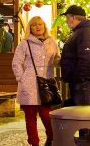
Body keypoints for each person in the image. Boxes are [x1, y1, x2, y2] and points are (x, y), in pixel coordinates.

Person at [12, 16, 59, 146]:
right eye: (34, 25)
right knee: (30, 117)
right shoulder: (24, 43)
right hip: (29, 84)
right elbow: (16, 63)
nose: (38, 27)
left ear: (44, 26)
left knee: (46, 115)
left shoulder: (52, 42)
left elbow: (56, 59)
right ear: (30, 28)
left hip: (46, 83)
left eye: (40, 24)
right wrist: (21, 78)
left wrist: (61, 61)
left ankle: (52, 138)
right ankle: (34, 143)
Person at [60, 5, 90, 106]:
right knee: (80, 114)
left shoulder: (85, 32)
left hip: (84, 82)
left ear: (73, 18)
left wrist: (79, 78)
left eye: (67, 18)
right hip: (81, 80)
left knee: (84, 114)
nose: (66, 21)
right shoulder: (80, 31)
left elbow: (86, 59)